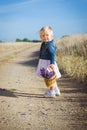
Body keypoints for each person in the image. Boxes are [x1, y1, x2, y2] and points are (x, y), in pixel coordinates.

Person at [36, 26, 61, 97]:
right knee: (52, 77)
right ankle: (56, 89)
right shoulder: (45, 43)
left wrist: (52, 63)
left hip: (48, 63)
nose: (45, 37)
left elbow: (52, 54)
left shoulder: (49, 45)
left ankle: (51, 91)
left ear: (51, 36)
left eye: (47, 35)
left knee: (50, 77)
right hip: (44, 62)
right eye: (43, 35)